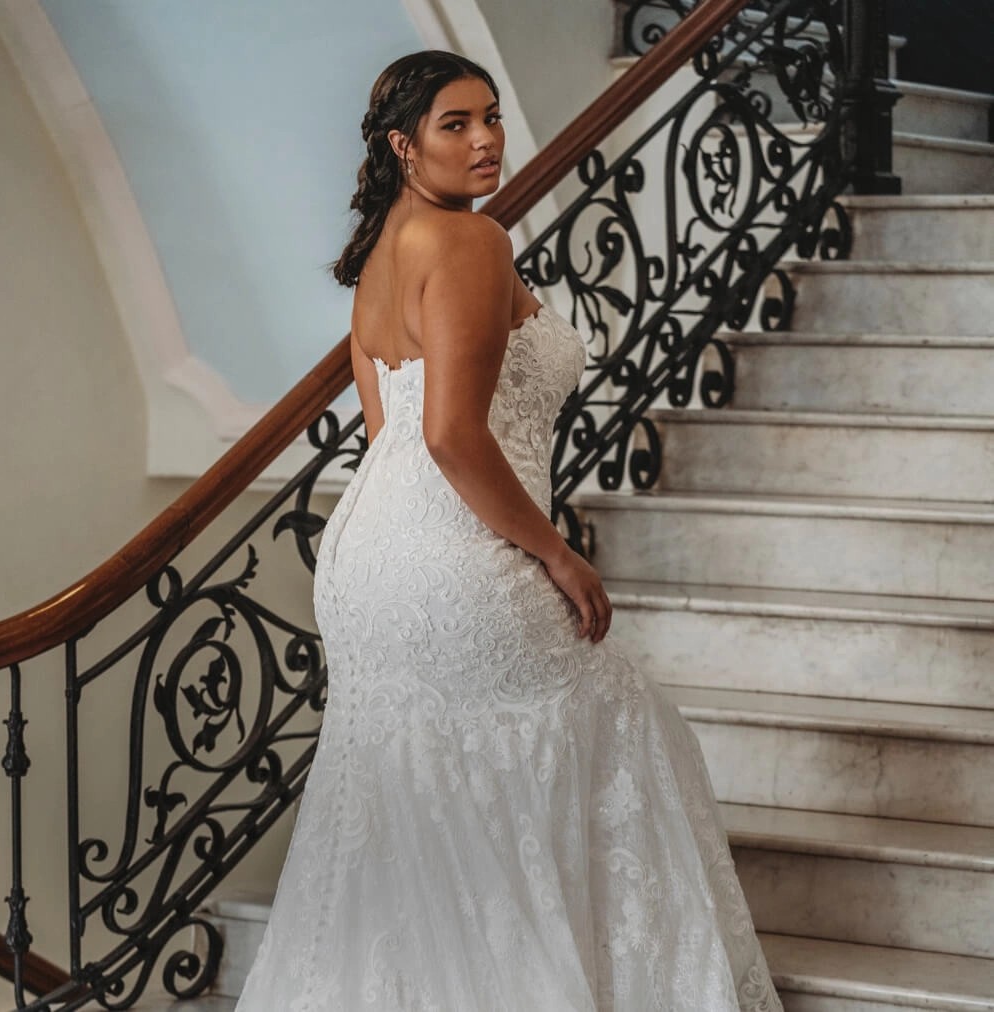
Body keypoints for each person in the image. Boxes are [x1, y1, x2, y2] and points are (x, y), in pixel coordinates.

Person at [234, 50, 782, 1011]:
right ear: (405, 146)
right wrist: (556, 551)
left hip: (372, 558)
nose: (488, 138)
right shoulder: (471, 242)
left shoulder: (375, 258)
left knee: (423, 795)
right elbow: (450, 435)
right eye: (457, 124)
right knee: (602, 722)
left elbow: (386, 433)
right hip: (456, 553)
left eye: (490, 116)